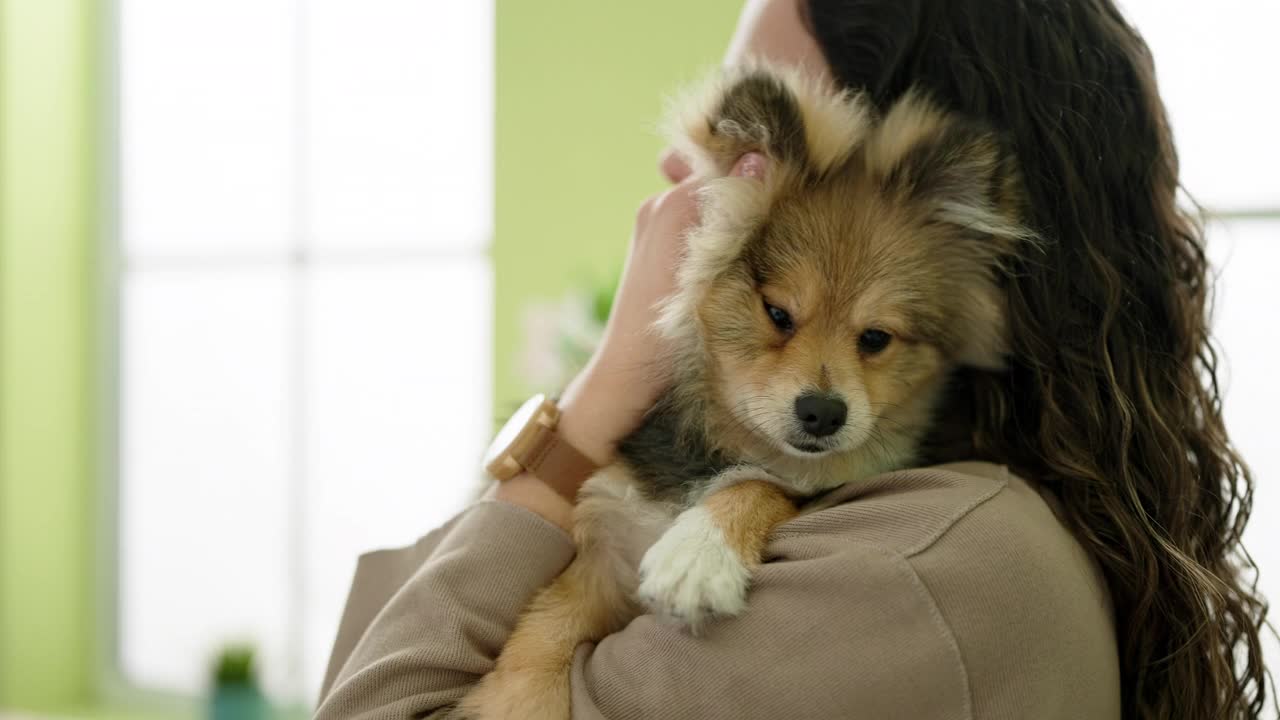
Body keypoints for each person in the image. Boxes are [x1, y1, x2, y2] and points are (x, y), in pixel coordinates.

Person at [314, 0, 1271, 718]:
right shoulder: (956, 531)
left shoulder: (917, 574)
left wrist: (594, 400)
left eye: (747, 158)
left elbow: (382, 699)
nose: (675, 178)